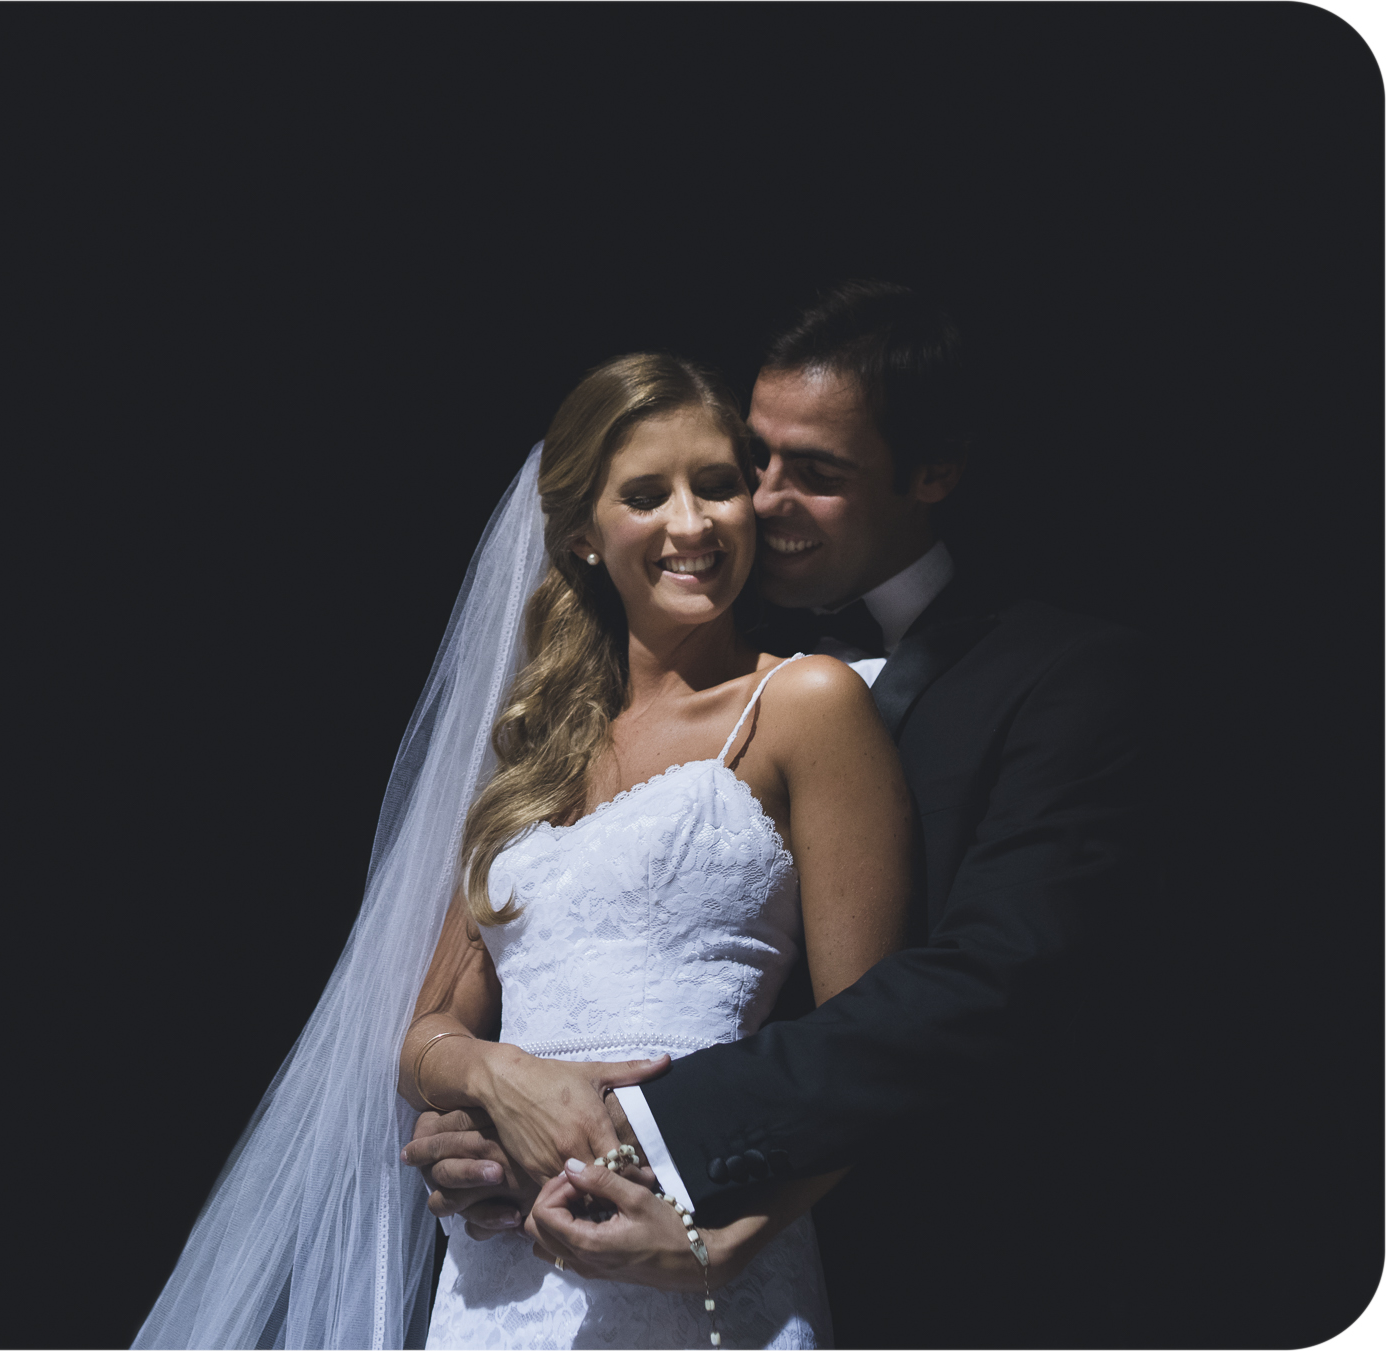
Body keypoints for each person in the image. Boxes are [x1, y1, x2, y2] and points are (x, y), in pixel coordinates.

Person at [408, 282, 1148, 1347]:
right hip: (503, 1254)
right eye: (750, 462)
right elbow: (444, 1011)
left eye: (808, 474)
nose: (744, 504)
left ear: (930, 474)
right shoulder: (559, 724)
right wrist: (484, 1087)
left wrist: (689, 1200)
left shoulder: (1031, 678)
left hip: (835, 1236)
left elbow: (944, 998)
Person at [397, 352, 915, 1349]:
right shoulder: (530, 750)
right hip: (498, 1279)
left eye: (715, 485)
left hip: (689, 1249)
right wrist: (498, 1083)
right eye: (646, 494)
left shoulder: (801, 703)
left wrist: (718, 1241)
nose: (692, 524)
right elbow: (422, 1033)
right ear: (584, 537)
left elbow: (871, 1050)